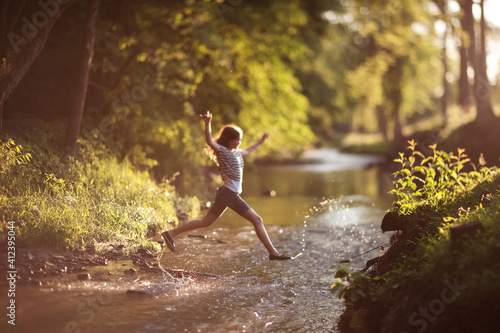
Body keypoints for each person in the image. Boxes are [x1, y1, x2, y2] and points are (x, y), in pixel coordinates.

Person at [162, 111, 291, 260]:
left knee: (206, 222)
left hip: (225, 193)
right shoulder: (222, 151)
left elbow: (248, 151)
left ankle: (171, 234)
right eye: (236, 140)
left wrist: (261, 141)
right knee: (257, 220)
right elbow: (210, 141)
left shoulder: (237, 153)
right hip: (229, 193)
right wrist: (207, 123)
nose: (239, 142)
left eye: (240, 140)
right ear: (228, 140)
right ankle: (273, 253)